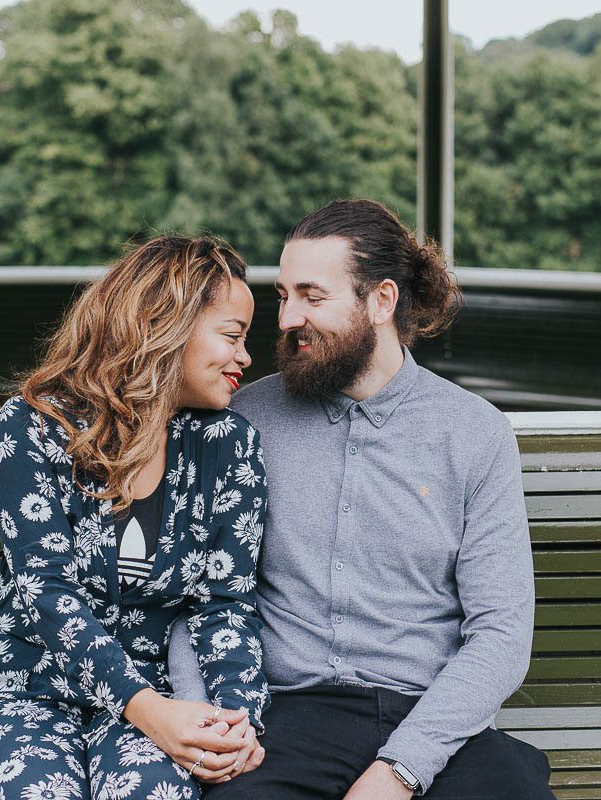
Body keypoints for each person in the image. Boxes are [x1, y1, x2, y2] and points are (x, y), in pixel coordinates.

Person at [174, 199, 554, 798]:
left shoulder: (475, 433)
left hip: (434, 721)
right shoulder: (244, 420)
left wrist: (401, 768)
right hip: (285, 719)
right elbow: (195, 595)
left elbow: (502, 634)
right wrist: (206, 723)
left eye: (312, 296)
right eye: (284, 296)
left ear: (381, 301)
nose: (287, 317)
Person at [0, 235, 271, 800]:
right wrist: (149, 712)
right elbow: (45, 592)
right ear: (167, 326)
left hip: (160, 698)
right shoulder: (34, 427)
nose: (246, 358)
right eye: (233, 337)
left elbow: (225, 604)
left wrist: (240, 722)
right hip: (25, 689)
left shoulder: (228, 444)